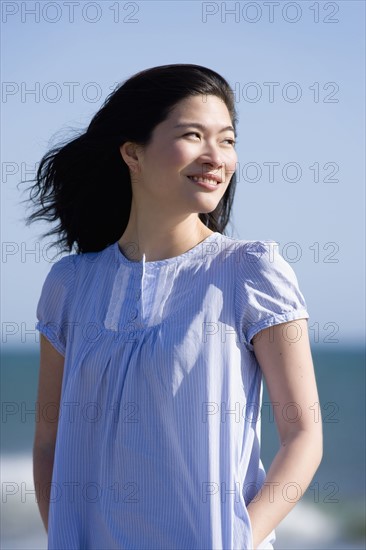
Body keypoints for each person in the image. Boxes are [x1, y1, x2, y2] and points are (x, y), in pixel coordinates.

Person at [28, 64, 322, 549]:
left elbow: (303, 435)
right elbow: (47, 442)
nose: (217, 157)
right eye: (193, 135)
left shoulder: (251, 271)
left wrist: (240, 540)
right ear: (132, 153)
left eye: (227, 140)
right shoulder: (70, 284)